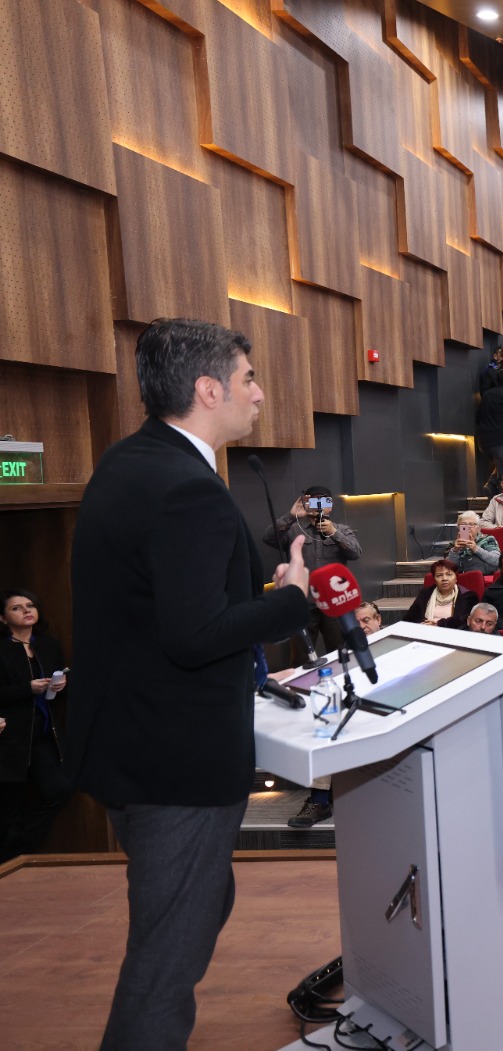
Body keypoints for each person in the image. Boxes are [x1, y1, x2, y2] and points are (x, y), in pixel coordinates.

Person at [68, 319, 314, 1048]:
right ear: (208, 390)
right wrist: (289, 599)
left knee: (201, 904)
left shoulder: (127, 463)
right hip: (172, 764)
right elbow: (196, 635)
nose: (259, 394)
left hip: (124, 745)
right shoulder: (190, 491)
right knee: (163, 968)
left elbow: (167, 608)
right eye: (247, 379)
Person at [0, 590, 70, 860]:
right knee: (10, 810)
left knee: (59, 790)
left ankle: (15, 852)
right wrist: (26, 688)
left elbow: (59, 689)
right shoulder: (3, 648)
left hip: (42, 736)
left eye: (30, 605)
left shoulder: (49, 645)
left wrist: (61, 685)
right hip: (9, 739)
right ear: (4, 618)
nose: (26, 610)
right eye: (16, 608)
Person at [260, 483, 363, 651]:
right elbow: (268, 538)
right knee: (302, 655)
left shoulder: (342, 529)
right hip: (303, 602)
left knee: (340, 652)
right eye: (315, 502)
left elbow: (356, 553)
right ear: (306, 504)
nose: (319, 506)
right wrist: (291, 516)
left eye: (323, 502)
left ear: (330, 506)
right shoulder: (293, 529)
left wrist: (334, 533)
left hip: (334, 601)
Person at [403, 558, 479, 627]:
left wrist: (440, 623)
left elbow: (465, 620)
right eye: (439, 575)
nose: (444, 579)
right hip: (424, 631)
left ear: (456, 578)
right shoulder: (425, 593)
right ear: (434, 579)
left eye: (449, 575)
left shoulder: (468, 596)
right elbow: (409, 617)